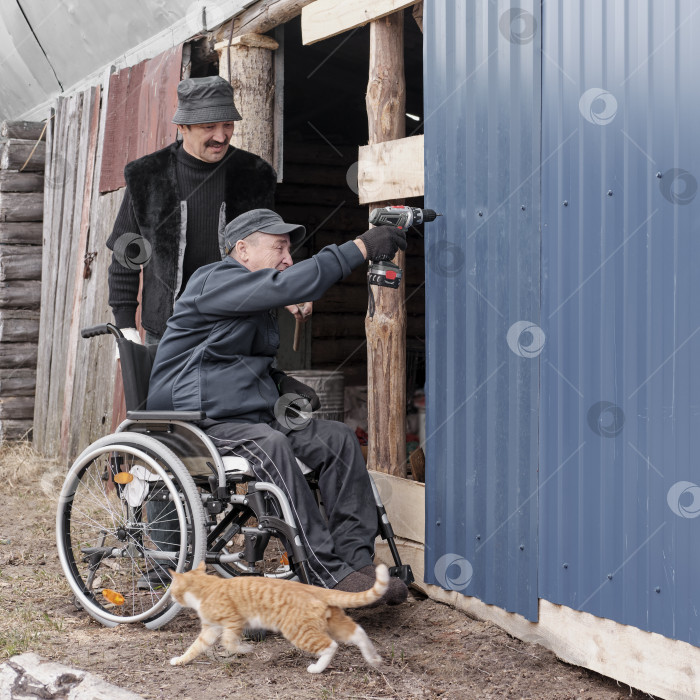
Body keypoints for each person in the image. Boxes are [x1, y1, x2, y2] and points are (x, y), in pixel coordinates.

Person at [147, 208, 408, 602]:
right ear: (243, 250)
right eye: (279, 248)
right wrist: (361, 247)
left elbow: (241, 363)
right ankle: (324, 573)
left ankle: (355, 562)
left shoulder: (249, 300)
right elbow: (285, 286)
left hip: (246, 418)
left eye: (290, 250)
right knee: (271, 446)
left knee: (336, 439)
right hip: (198, 420)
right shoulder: (214, 279)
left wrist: (284, 383)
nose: (288, 259)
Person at [106, 75, 310, 345]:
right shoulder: (146, 175)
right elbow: (126, 256)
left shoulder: (255, 174)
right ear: (182, 127)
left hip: (238, 328)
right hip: (167, 332)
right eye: (209, 126)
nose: (221, 135)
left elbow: (270, 247)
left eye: (228, 124)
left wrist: (290, 286)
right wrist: (125, 327)